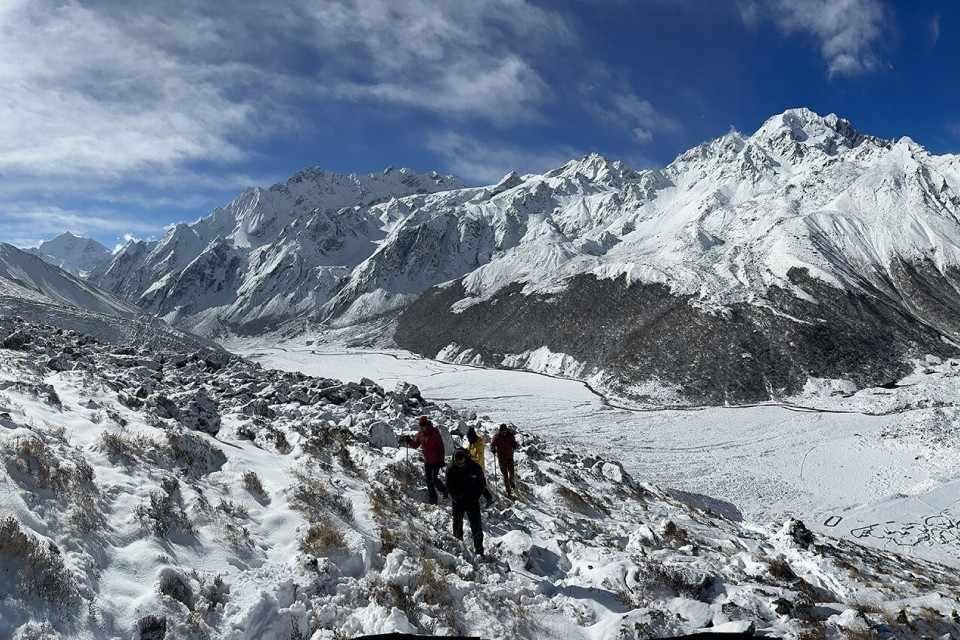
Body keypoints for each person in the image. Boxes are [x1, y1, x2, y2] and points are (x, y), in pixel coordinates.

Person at [446, 448, 486, 557]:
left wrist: (475, 497)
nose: (460, 463)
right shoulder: (451, 469)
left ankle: (479, 551)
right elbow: (449, 486)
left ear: (465, 458)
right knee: (457, 524)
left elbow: (482, 484)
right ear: (454, 460)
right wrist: (455, 497)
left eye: (462, 461)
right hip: (458, 501)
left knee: (476, 526)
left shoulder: (475, 467)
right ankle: (459, 547)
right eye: (457, 461)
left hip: (472, 501)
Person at [405, 416, 447, 504]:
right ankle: (433, 499)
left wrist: (442, 460)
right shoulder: (420, 434)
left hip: (436, 460)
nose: (422, 427)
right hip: (427, 460)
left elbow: (441, 446)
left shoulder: (434, 432)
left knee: (434, 478)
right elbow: (416, 445)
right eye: (421, 426)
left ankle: (444, 490)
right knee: (428, 480)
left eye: (423, 425)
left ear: (427, 424)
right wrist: (409, 441)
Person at [466, 427, 494, 506]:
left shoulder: (479, 444)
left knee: (479, 484)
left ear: (472, 436)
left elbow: (478, 457)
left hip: (478, 467)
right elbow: (469, 450)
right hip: (472, 467)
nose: (468, 440)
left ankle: (487, 499)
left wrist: (470, 458)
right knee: (479, 484)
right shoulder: (472, 442)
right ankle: (488, 498)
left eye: (469, 438)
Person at [491, 423, 518, 498]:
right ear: (500, 431)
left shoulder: (510, 435)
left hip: (509, 458)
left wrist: (515, 445)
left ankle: (511, 482)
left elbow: (513, 443)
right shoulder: (496, 437)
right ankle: (508, 491)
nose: (504, 432)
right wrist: (493, 449)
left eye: (505, 431)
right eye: (502, 431)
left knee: (512, 472)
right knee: (505, 475)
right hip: (501, 459)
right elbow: (492, 445)